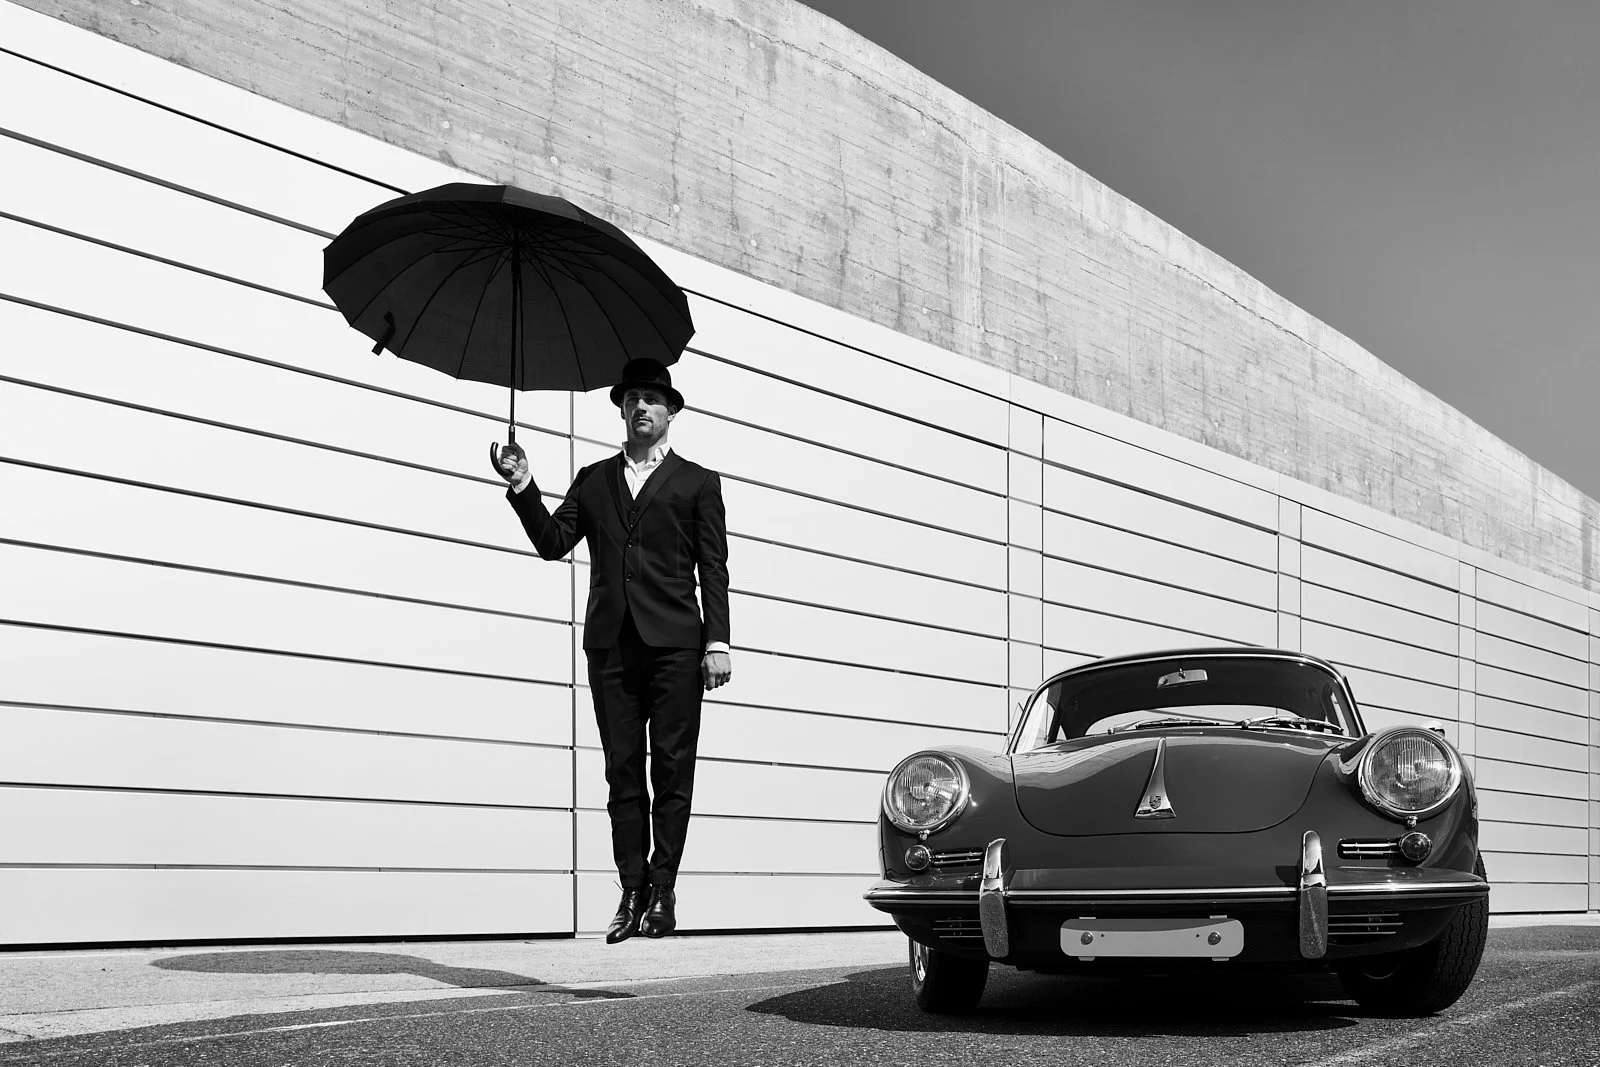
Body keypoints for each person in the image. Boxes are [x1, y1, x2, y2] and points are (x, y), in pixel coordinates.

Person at [493, 358, 732, 943]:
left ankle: (664, 889)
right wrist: (523, 483)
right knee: (622, 771)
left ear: (671, 410)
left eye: (653, 398)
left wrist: (718, 641)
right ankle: (631, 889)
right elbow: (553, 543)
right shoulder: (593, 479)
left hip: (677, 645)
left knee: (672, 770)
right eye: (633, 399)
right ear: (622, 408)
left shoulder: (699, 482)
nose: (642, 407)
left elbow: (713, 567)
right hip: (611, 649)